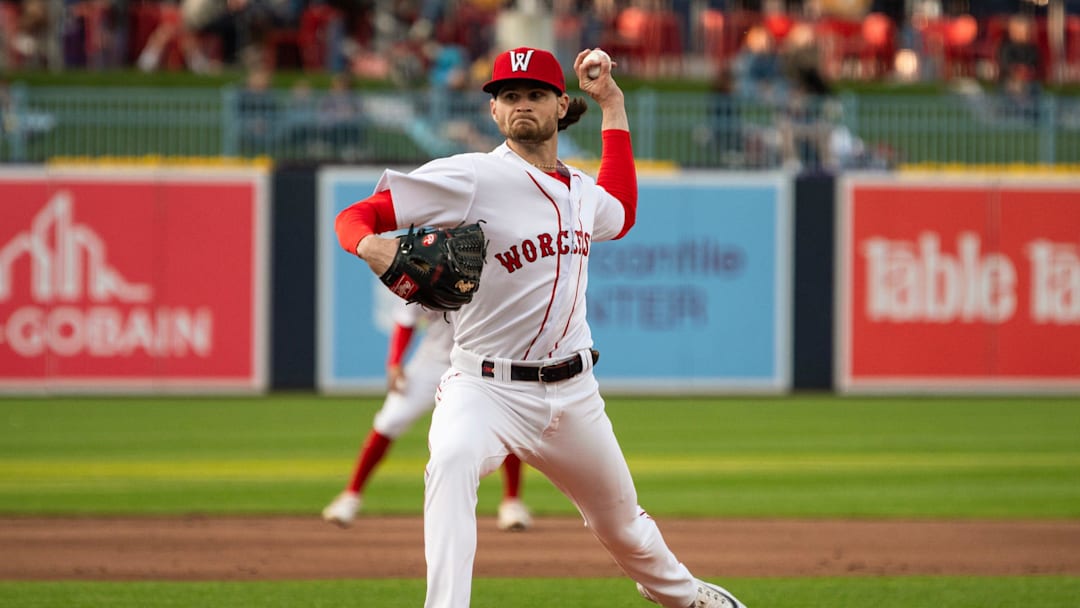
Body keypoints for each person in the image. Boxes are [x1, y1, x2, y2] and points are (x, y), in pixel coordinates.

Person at [334, 46, 748, 608]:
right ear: (495, 113)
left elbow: (621, 213)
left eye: (533, 94)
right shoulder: (470, 176)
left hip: (574, 394)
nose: (520, 104)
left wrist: (614, 104)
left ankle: (687, 597)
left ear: (560, 105)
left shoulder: (579, 191)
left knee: (625, 529)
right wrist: (369, 244)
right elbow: (355, 215)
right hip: (484, 385)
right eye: (508, 96)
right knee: (451, 461)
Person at [322, 297, 532, 532]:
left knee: (506, 422)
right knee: (389, 421)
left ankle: (512, 502)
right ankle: (350, 497)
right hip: (433, 362)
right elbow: (406, 320)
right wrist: (394, 361)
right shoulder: (426, 270)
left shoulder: (489, 274)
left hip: (479, 365)